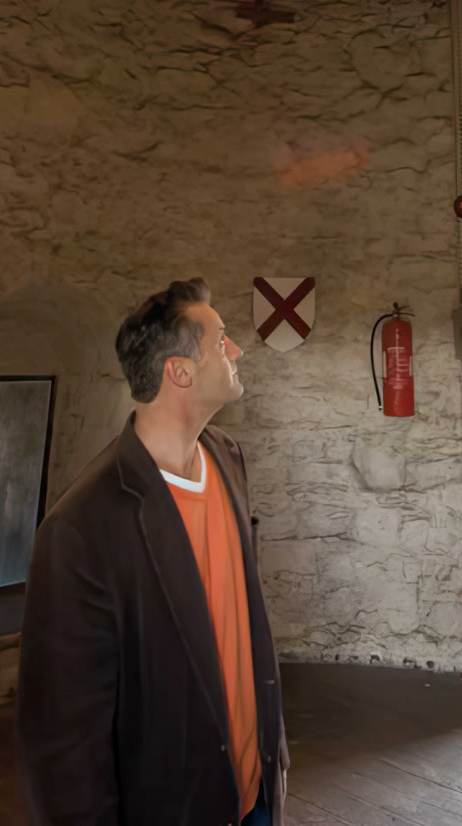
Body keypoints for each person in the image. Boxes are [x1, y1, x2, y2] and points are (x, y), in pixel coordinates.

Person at [17, 278, 288, 826]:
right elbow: (64, 744)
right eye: (220, 340)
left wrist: (272, 756)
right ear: (180, 372)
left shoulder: (227, 457)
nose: (235, 350)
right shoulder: (80, 527)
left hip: (255, 794)